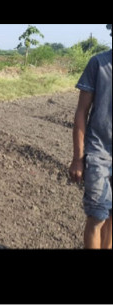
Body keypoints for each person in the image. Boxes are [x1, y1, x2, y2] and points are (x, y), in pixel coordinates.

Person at [69, 24, 112, 249]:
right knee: (97, 217)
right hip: (98, 153)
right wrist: (78, 157)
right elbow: (81, 112)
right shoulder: (98, 64)